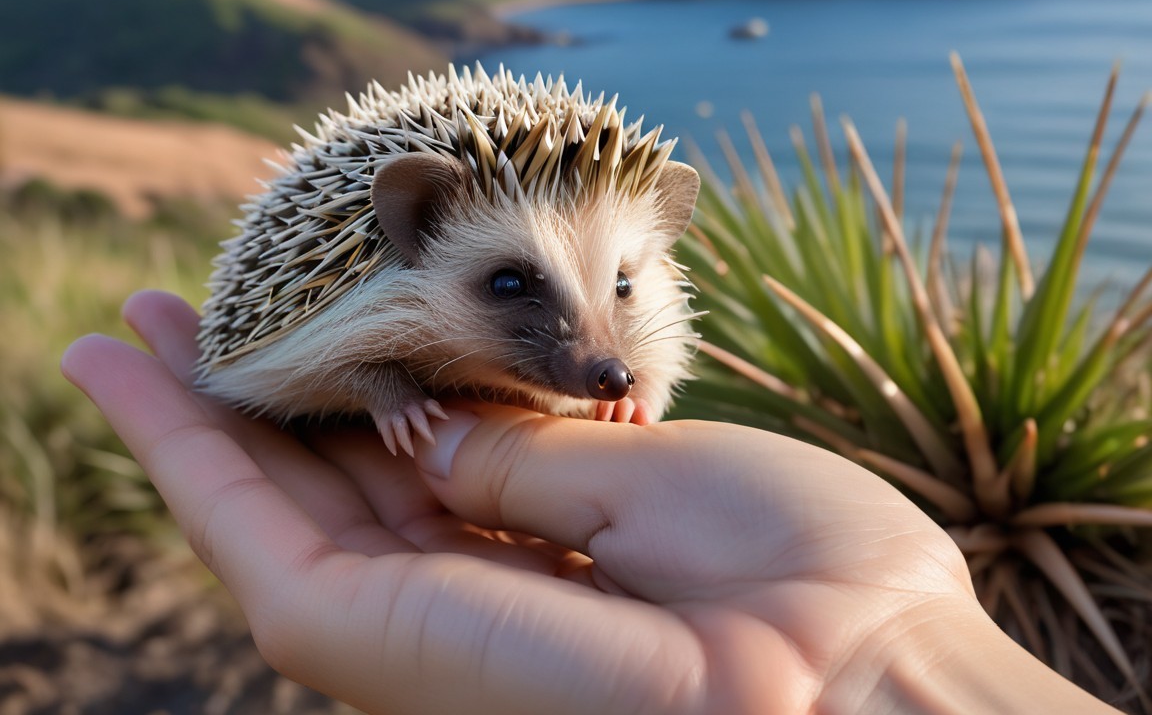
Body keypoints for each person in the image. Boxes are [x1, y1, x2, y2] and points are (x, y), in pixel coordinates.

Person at [61, 290, 1119, 715]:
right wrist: (381, 387)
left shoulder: (621, 337)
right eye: (515, 290)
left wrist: (871, 651)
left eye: (618, 289)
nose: (593, 357)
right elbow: (286, 366)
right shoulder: (364, 309)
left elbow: (635, 356)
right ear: (408, 232)